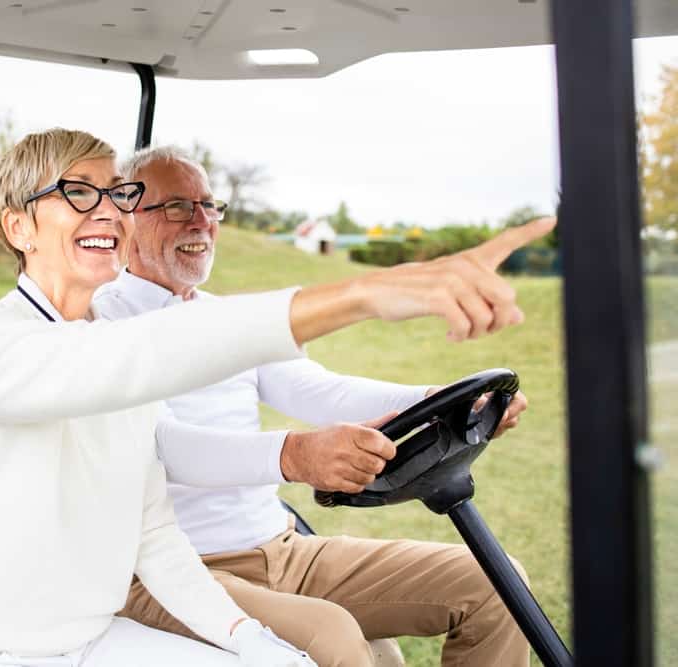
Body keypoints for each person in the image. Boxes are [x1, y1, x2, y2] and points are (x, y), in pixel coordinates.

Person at [0, 128, 551, 666]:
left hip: (97, 624)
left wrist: (249, 638)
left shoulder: (119, 333)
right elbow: (148, 360)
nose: (106, 212)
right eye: (76, 194)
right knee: (339, 642)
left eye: (113, 194)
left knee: (487, 588)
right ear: (19, 227)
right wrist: (362, 295)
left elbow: (154, 527)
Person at [92, 145, 539, 667]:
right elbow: (163, 447)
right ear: (123, 217)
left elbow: (322, 392)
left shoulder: (224, 318)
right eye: (176, 207)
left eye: (209, 206)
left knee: (498, 584)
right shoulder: (98, 326)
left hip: (281, 550)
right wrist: (295, 455)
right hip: (168, 572)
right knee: (337, 637)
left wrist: (435, 401)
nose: (201, 222)